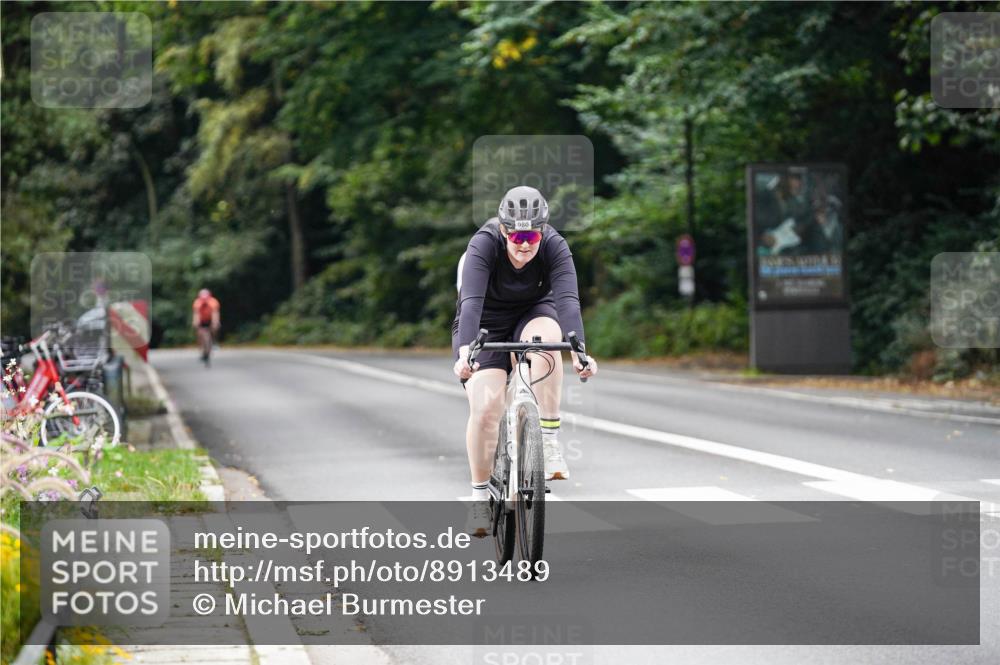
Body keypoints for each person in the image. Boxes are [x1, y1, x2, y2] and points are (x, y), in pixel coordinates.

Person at [452, 185, 597, 536]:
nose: (524, 244)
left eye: (531, 235)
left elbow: (568, 301)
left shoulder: (554, 246)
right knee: (486, 409)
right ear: (503, 230)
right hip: (486, 319)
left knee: (549, 343)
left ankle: (547, 439)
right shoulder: (483, 244)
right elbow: (469, 304)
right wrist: (465, 353)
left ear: (542, 231)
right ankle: (479, 498)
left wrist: (580, 352)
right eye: (516, 235)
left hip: (534, 311)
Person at [191, 289, 220, 367]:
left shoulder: (213, 302)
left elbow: (215, 314)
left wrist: (215, 323)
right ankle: (202, 349)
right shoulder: (197, 303)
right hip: (201, 320)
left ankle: (214, 341)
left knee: (215, 328)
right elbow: (196, 314)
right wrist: (195, 322)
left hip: (210, 319)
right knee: (200, 333)